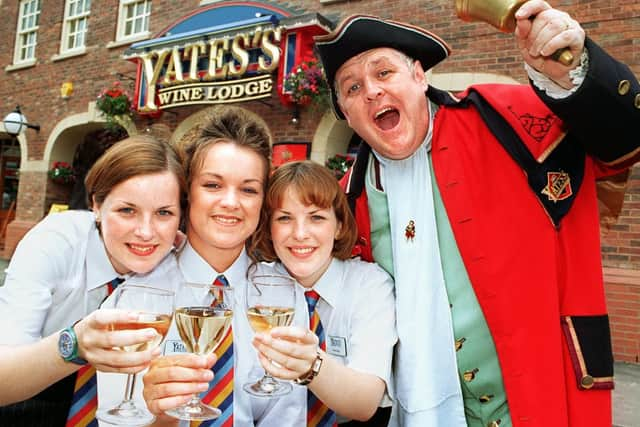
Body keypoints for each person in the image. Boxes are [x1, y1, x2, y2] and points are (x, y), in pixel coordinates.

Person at [313, 1, 640, 426]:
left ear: (418, 76)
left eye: (383, 72)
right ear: (346, 115)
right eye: (352, 88)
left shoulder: (499, 117)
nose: (371, 91)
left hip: (543, 397)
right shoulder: (348, 200)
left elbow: (624, 142)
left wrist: (572, 68)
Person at [0, 134, 186, 426]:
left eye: (164, 213)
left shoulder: (178, 261)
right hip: (29, 403)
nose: (146, 232)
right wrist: (74, 345)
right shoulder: (55, 242)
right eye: (128, 210)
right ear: (96, 206)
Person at [142, 106, 307, 426]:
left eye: (248, 189)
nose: (231, 202)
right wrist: (162, 416)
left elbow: (285, 417)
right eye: (213, 185)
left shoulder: (281, 296)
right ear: (187, 191)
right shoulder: (141, 289)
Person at [250, 160, 396, 425]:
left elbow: (365, 403)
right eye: (284, 218)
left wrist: (311, 366)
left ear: (339, 225)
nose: (300, 233)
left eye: (316, 217)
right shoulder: (255, 282)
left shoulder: (370, 285)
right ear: (269, 229)